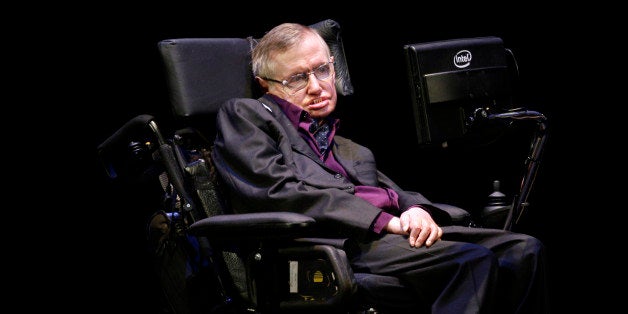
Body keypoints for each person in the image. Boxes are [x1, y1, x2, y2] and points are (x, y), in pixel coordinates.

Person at [210, 22, 548, 314]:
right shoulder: (246, 115)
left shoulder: (346, 146)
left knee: (522, 251)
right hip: (329, 241)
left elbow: (389, 191)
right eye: (297, 79)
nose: (316, 87)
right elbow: (277, 193)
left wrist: (414, 209)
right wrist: (387, 221)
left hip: (380, 234)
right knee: (469, 261)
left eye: (322, 70)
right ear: (266, 84)